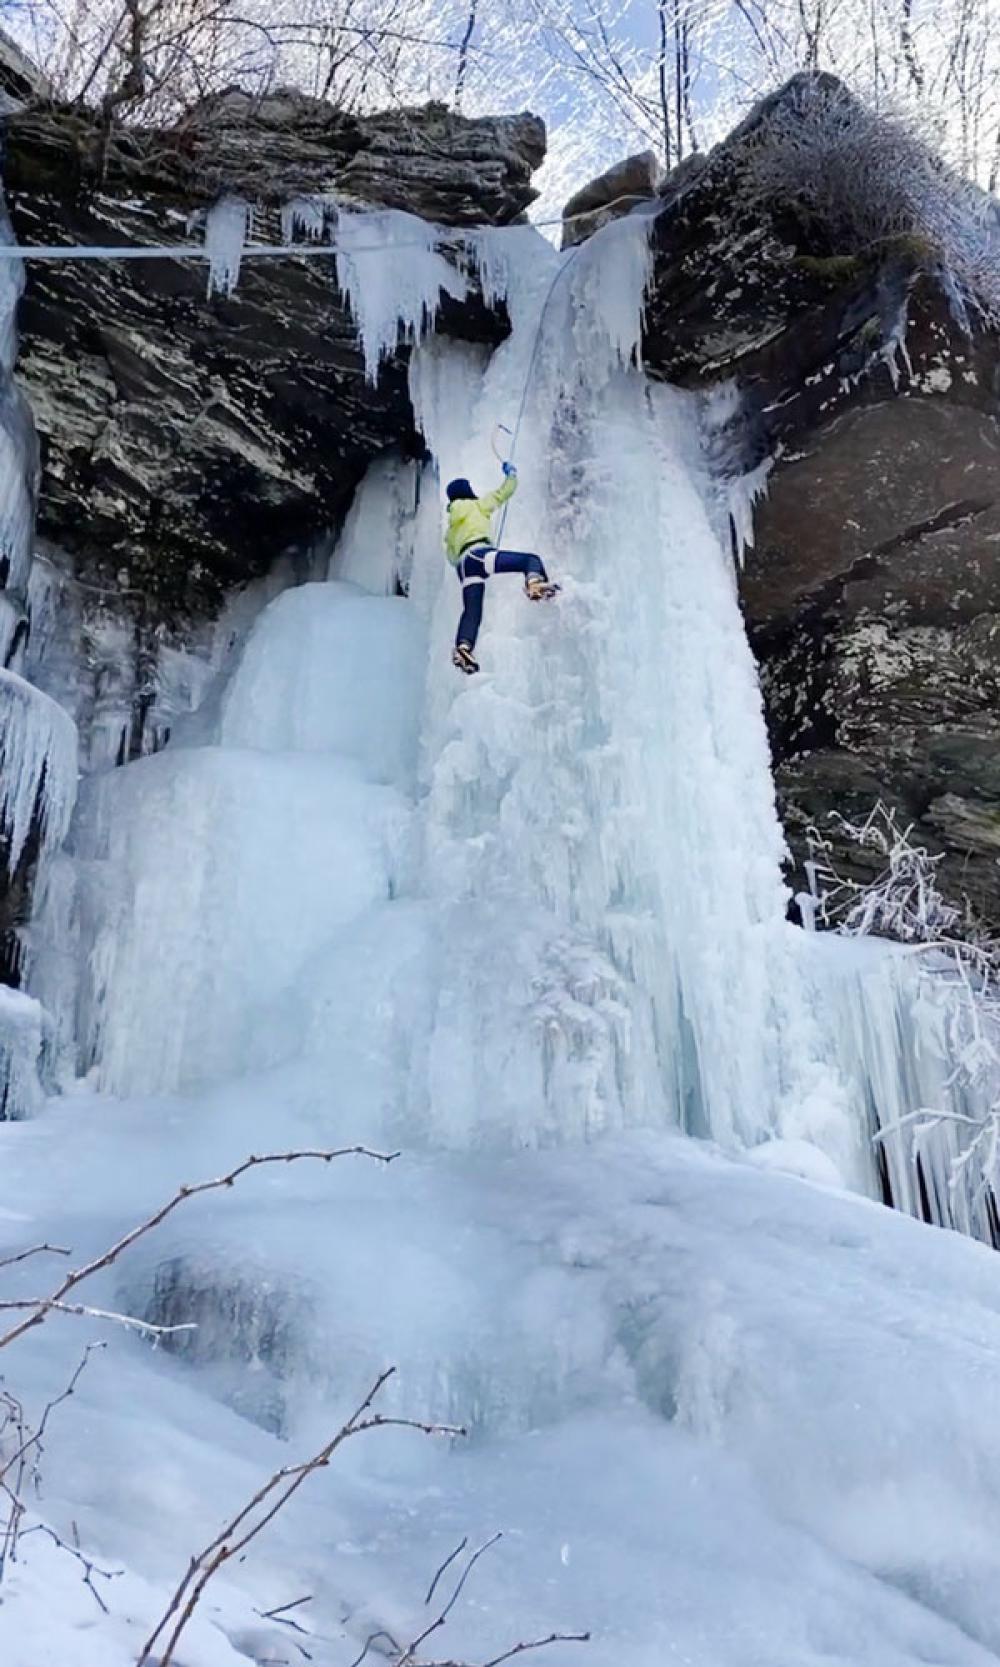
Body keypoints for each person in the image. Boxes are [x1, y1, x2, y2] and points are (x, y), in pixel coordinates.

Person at [445, 463, 558, 674]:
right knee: (529, 560)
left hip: (464, 567)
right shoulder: (476, 505)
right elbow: (503, 493)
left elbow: (451, 557)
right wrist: (511, 475)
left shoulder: (451, 528)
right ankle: (534, 584)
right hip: (479, 555)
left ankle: (463, 647)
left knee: (472, 611)